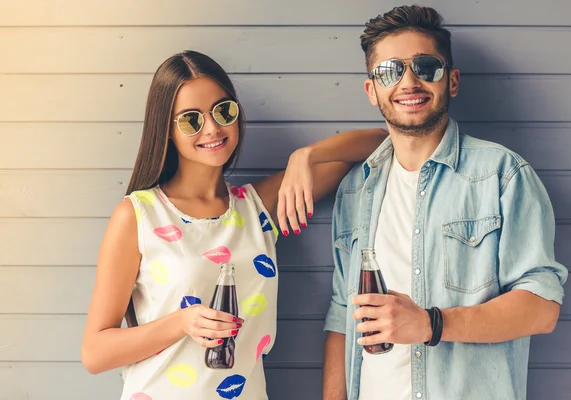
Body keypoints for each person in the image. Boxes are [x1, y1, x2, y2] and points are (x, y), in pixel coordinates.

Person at [80, 50, 388, 400]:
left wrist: (305, 156)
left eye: (223, 110)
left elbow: (378, 143)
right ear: (166, 130)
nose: (212, 128)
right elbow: (95, 352)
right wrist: (182, 323)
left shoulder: (258, 207)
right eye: (190, 120)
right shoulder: (138, 215)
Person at [322, 5, 568, 400]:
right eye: (389, 70)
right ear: (372, 90)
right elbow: (341, 315)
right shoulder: (355, 189)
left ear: (451, 81)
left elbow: (542, 308)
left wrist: (431, 324)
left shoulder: (503, 174)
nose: (408, 81)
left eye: (426, 66)